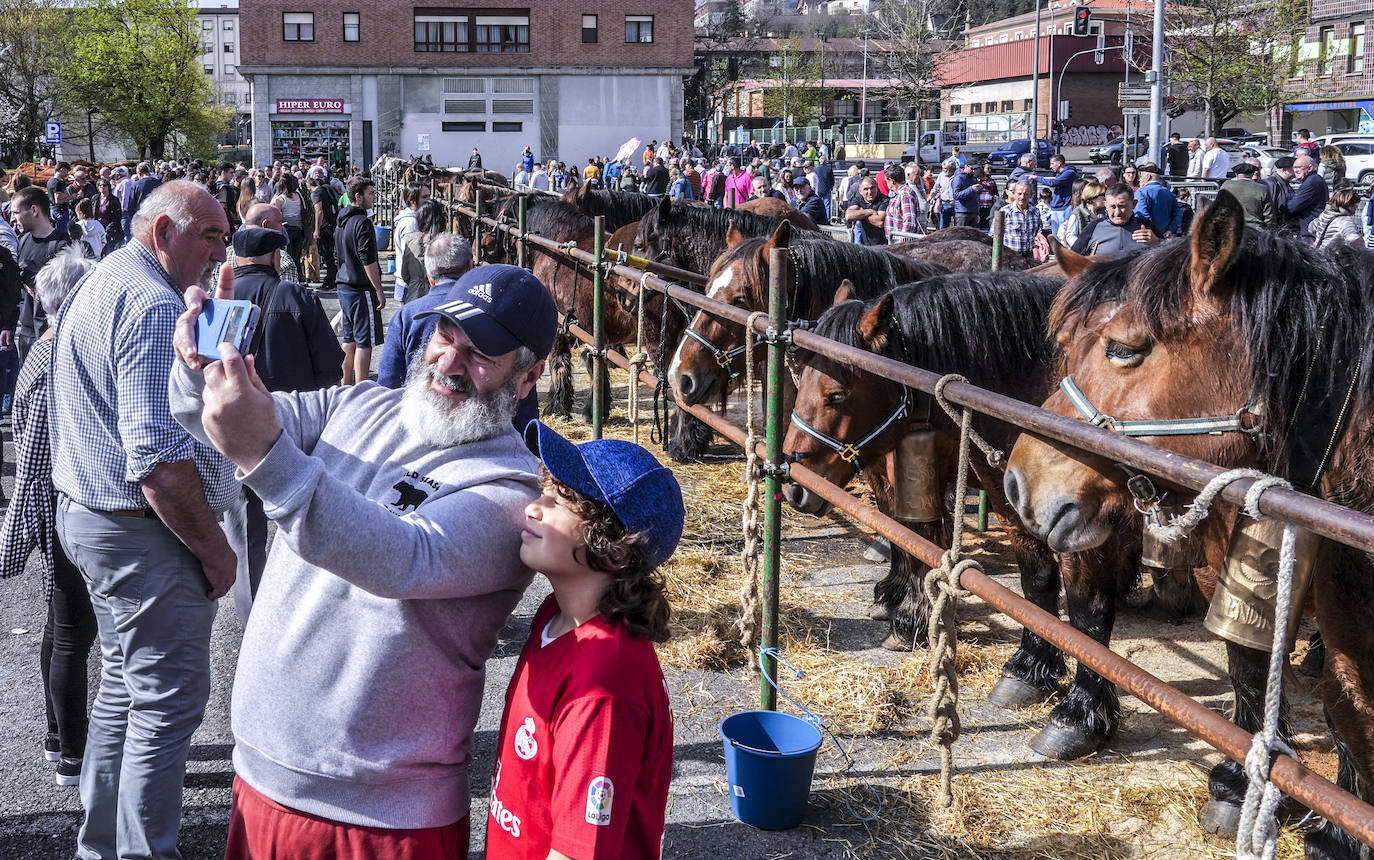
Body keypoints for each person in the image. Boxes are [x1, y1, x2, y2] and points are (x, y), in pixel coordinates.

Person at [165, 263, 556, 860]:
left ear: (526, 378)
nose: (450, 363)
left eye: (482, 354)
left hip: (380, 818)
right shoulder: (362, 403)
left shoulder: (510, 490)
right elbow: (237, 418)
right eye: (446, 334)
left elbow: (401, 556)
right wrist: (209, 372)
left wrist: (265, 457)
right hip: (262, 779)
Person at [49, 180, 237, 860]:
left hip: (100, 520)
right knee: (165, 705)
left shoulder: (111, 278)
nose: (222, 249)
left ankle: (104, 846)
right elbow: (157, 459)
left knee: (129, 693)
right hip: (140, 530)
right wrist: (216, 551)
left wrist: (218, 312)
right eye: (211, 236)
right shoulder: (153, 304)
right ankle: (139, 852)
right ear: (164, 233)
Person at [486, 421, 681, 860]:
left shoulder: (604, 686)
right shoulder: (553, 617)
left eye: (557, 502)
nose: (533, 509)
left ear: (612, 548)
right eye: (543, 492)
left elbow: (578, 853)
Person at [0, 247, 98, 788]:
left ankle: (58, 738)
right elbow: (35, 452)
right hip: (60, 502)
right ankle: (71, 752)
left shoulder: (47, 347)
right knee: (71, 632)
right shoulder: (58, 351)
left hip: (54, 500)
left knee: (61, 629)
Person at [222, 226, 342, 620]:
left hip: (234, 429)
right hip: (293, 426)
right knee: (302, 517)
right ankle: (306, 613)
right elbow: (332, 365)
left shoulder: (219, 303)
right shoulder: (295, 295)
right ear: (276, 258)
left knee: (243, 528)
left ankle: (253, 618)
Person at [378, 231, 475, 389]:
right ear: (470, 266)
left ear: (429, 275)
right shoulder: (485, 312)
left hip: (417, 406)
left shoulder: (406, 316)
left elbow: (388, 382)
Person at [12, 186, 73, 362]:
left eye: (16, 212)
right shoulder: (23, 240)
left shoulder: (62, 246)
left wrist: (40, 286)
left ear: (33, 210)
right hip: (26, 332)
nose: (13, 218)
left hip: (51, 335)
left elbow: (68, 297)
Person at [335, 175, 386, 384]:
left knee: (349, 340)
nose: (374, 196)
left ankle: (345, 384)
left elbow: (337, 255)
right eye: (371, 193)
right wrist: (379, 289)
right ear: (358, 196)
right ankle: (361, 388)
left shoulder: (342, 221)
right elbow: (368, 260)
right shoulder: (362, 223)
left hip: (344, 286)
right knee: (365, 342)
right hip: (361, 288)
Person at [1071, 183, 1161, 256]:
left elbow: (1170, 256)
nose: (1117, 212)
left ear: (1134, 204)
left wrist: (1157, 243)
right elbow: (1072, 258)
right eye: (1112, 207)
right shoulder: (1094, 227)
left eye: (1122, 206)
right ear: (1105, 205)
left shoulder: (1147, 227)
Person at [399, 200, 446, 306]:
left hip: (413, 295)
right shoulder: (445, 243)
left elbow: (405, 273)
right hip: (438, 297)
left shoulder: (410, 239)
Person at [392, 183, 430, 302]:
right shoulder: (411, 223)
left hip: (407, 282)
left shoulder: (410, 219)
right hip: (411, 285)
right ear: (412, 200)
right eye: (425, 197)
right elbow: (412, 258)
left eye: (429, 196)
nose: (429, 200)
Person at [1282, 154, 1330, 241]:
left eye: (1299, 167)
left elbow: (1293, 206)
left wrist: (1281, 207)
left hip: (1309, 231)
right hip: (1310, 228)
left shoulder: (1312, 181)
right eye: (1294, 167)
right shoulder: (1312, 180)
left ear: (1310, 168)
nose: (1296, 170)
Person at [270, 173, 308, 279]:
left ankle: (292, 277)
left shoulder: (280, 199)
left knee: (288, 256)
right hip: (299, 229)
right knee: (296, 255)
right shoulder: (299, 196)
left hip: (286, 229)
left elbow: (276, 216)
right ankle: (300, 277)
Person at [1219, 162, 1276, 228]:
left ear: (1236, 174)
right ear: (1252, 174)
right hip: (1254, 228)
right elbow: (1269, 215)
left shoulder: (1226, 185)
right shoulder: (1262, 188)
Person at [1132, 163, 1182, 238]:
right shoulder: (1169, 193)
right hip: (1167, 236)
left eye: (1141, 176)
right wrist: (1170, 230)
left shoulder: (1141, 192)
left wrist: (1155, 233)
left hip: (1149, 237)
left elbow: (1141, 215)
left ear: (1148, 177)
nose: (1139, 179)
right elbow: (1178, 214)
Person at [310, 172, 341, 289]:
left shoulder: (316, 193)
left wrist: (316, 229)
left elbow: (319, 210)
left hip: (324, 227)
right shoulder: (327, 189)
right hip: (332, 224)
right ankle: (332, 278)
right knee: (331, 255)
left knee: (327, 255)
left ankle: (330, 280)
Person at [1058, 179, 1105, 248]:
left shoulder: (1103, 213)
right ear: (1093, 197)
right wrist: (1083, 247)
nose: (1105, 198)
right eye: (1102, 195)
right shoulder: (1077, 214)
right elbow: (1070, 236)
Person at [1001, 180, 1043, 255]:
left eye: (1026, 194)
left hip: (1029, 256)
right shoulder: (1005, 211)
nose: (1022, 197)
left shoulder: (1036, 212)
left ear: (1031, 195)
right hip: (1010, 256)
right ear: (1014, 194)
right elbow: (994, 235)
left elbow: (1036, 232)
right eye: (1019, 194)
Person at [884, 163, 925, 241]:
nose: (886, 184)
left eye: (886, 181)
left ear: (892, 181)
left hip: (901, 245)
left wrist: (901, 242)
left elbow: (909, 222)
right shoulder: (898, 194)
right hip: (895, 242)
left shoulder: (905, 194)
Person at [844, 177, 888, 245]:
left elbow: (880, 222)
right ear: (860, 191)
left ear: (877, 188)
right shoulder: (858, 199)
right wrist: (869, 211)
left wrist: (860, 214)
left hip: (883, 245)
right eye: (866, 189)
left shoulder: (884, 200)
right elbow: (848, 216)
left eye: (872, 188)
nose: (870, 192)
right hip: (865, 245)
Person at [46, 162, 79, 235]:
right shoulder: (57, 183)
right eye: (66, 171)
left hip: (53, 210)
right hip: (60, 211)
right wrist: (71, 197)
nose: (67, 174)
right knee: (62, 234)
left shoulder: (50, 181)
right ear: (62, 169)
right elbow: (58, 200)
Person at [1047, 153, 1077, 233]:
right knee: (1055, 235)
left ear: (1059, 163)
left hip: (1063, 208)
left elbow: (1053, 183)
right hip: (1055, 208)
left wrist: (1037, 178)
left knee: (1063, 234)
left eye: (1052, 163)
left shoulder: (1069, 173)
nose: (1050, 166)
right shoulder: (1060, 174)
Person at [93, 177, 123, 252]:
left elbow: (117, 217)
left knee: (109, 252)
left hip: (110, 232)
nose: (102, 187)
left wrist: (108, 229)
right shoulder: (95, 198)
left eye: (104, 185)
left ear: (108, 187)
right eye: (100, 185)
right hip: (97, 230)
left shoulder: (114, 200)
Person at [1266, 156, 1296, 231]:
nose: (1297, 170)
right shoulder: (1271, 183)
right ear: (1285, 170)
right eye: (1294, 168)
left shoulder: (1285, 183)